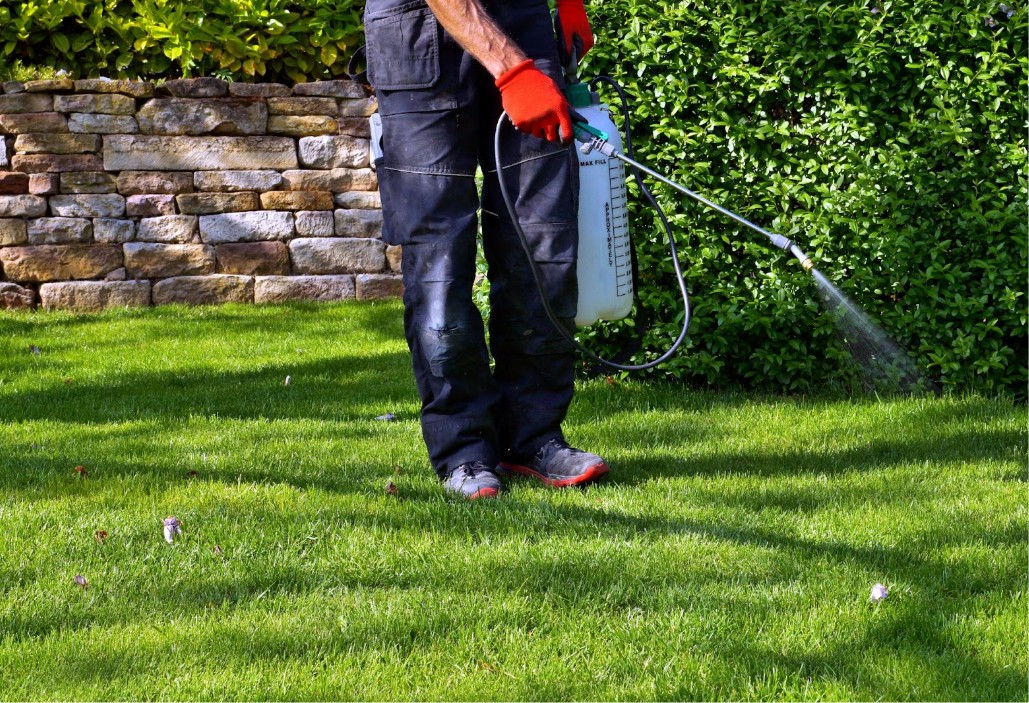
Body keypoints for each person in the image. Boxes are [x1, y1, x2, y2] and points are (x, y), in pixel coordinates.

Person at [363, 0, 608, 499]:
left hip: (525, 27)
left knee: (543, 248)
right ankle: (465, 449)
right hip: (417, 34)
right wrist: (512, 68)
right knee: (439, 262)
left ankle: (534, 437)